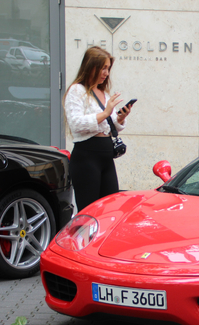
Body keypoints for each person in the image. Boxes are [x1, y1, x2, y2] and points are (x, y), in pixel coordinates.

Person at [63, 46, 132, 211]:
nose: (106, 73)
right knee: (89, 211)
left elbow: (111, 122)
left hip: (106, 158)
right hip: (86, 158)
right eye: (103, 68)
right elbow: (75, 123)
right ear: (90, 67)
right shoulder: (76, 90)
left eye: (108, 68)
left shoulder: (103, 93)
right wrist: (106, 112)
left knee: (110, 209)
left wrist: (120, 117)